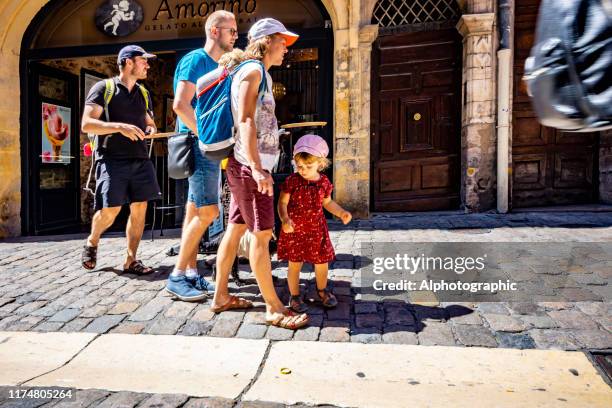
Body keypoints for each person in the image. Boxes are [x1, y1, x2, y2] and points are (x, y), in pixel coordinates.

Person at [211, 18, 310, 330]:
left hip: (246, 167)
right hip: (249, 169)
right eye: (283, 42)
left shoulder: (259, 73)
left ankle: (220, 296)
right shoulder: (253, 71)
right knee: (262, 234)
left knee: (237, 229)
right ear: (268, 41)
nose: (286, 49)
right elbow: (246, 121)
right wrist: (256, 168)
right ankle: (273, 306)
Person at [165, 10, 239, 301]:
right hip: (199, 144)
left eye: (235, 30)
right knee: (209, 211)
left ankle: (191, 274)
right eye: (231, 30)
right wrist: (207, 138)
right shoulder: (196, 60)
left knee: (196, 210)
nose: (236, 35)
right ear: (214, 31)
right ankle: (176, 276)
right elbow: (181, 105)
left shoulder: (221, 65)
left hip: (209, 145)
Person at [80, 45, 160, 274]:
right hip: (112, 159)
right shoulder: (103, 88)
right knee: (111, 210)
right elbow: (86, 123)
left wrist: (151, 130)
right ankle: (92, 241)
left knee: (139, 209)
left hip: (140, 159)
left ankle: (130, 259)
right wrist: (118, 127)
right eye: (143, 60)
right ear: (128, 62)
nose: (147, 64)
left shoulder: (143, 93)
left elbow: (150, 123)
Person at [277, 135, 352, 312]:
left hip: (316, 230)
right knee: (295, 264)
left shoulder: (324, 183)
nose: (303, 170)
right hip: (295, 231)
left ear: (320, 163)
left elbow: (327, 203)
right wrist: (285, 219)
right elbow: (282, 203)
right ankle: (294, 296)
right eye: (299, 166)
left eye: (308, 166)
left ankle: (322, 290)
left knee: (321, 262)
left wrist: (341, 212)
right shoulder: (293, 181)